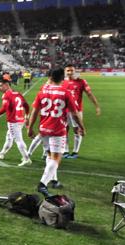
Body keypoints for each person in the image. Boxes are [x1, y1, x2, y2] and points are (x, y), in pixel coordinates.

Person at [27, 67, 85, 196]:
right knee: (56, 158)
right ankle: (42, 184)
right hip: (58, 130)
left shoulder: (42, 91)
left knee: (49, 156)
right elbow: (74, 114)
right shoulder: (65, 92)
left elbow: (35, 112)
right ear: (62, 78)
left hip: (44, 129)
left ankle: (54, 180)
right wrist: (82, 126)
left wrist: (30, 128)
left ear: (50, 77)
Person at [62, 64, 101, 159]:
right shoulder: (61, 82)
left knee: (77, 130)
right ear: (65, 72)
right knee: (64, 130)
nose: (70, 72)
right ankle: (65, 151)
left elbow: (89, 94)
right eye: (68, 71)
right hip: (64, 110)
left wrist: (97, 106)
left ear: (75, 71)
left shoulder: (81, 81)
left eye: (72, 70)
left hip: (77, 110)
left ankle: (75, 152)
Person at [0, 80, 32, 166]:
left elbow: (5, 107)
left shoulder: (6, 95)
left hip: (13, 121)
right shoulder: (17, 93)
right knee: (9, 137)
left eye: (0, 86)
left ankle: (26, 158)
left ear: (6, 85)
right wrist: (27, 116)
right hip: (20, 119)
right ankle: (2, 153)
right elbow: (26, 105)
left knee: (18, 140)